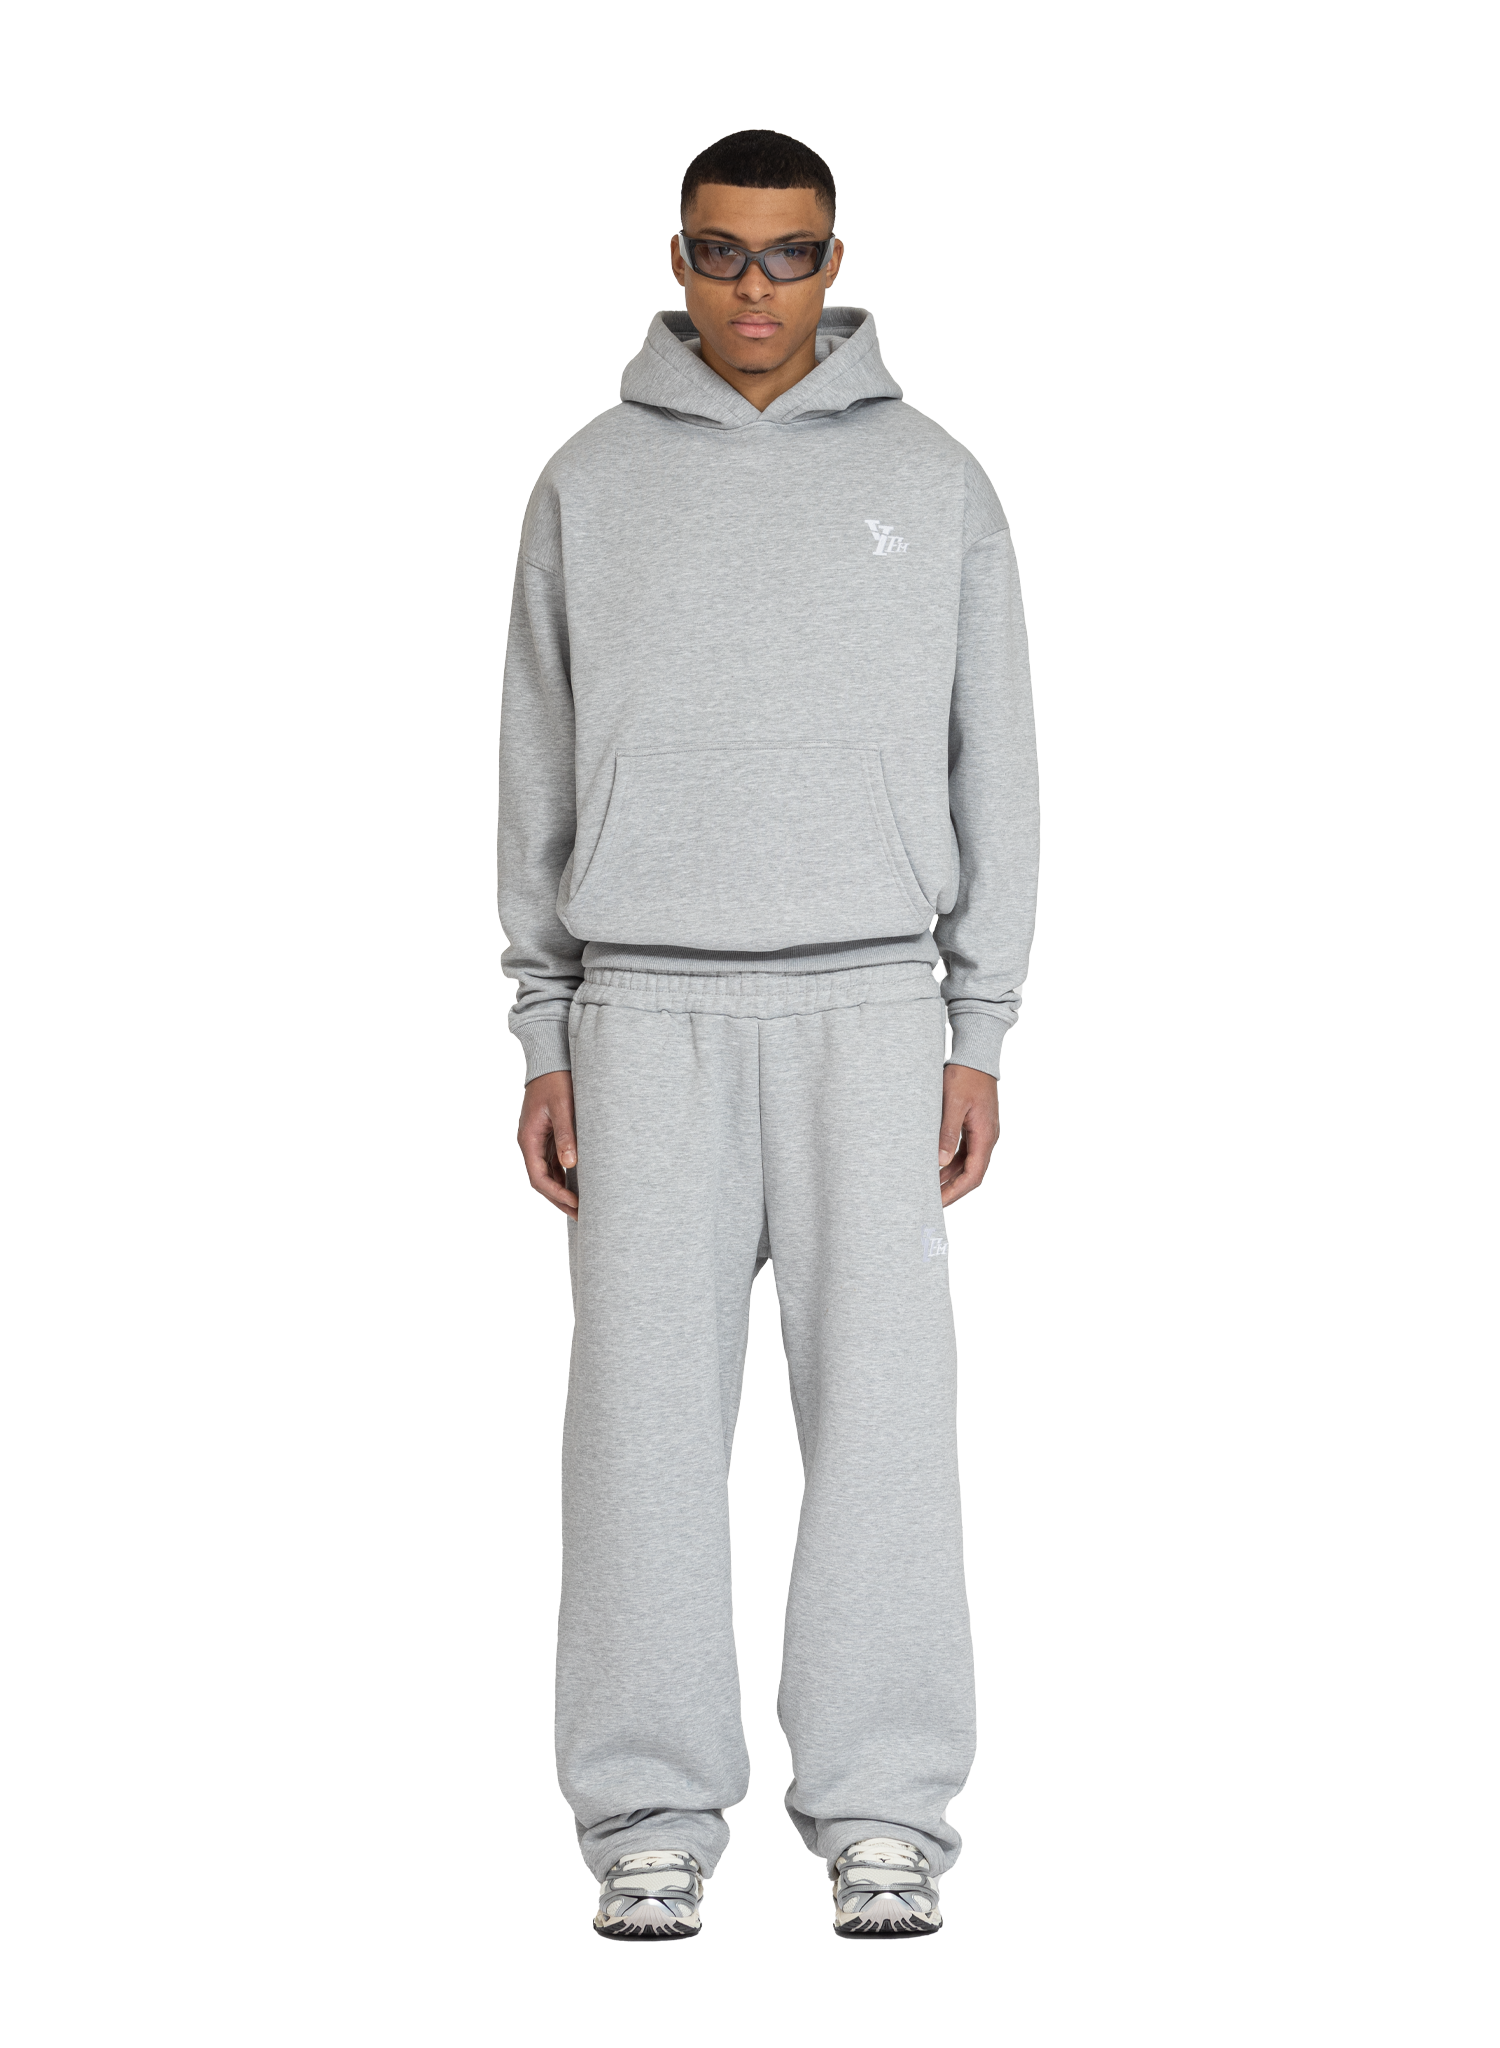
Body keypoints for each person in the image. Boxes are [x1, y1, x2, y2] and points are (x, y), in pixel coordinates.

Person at [497, 129, 1038, 1940]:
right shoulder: (586, 484)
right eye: (722, 254)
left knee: (885, 1432)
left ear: (832, 263)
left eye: (788, 254)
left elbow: (999, 764)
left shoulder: (934, 479)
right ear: (677, 258)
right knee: (637, 1437)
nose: (755, 288)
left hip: (873, 1011)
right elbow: (534, 770)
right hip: (643, 1011)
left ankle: (883, 1809)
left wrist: (976, 1026)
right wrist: (544, 1029)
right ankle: (647, 1812)